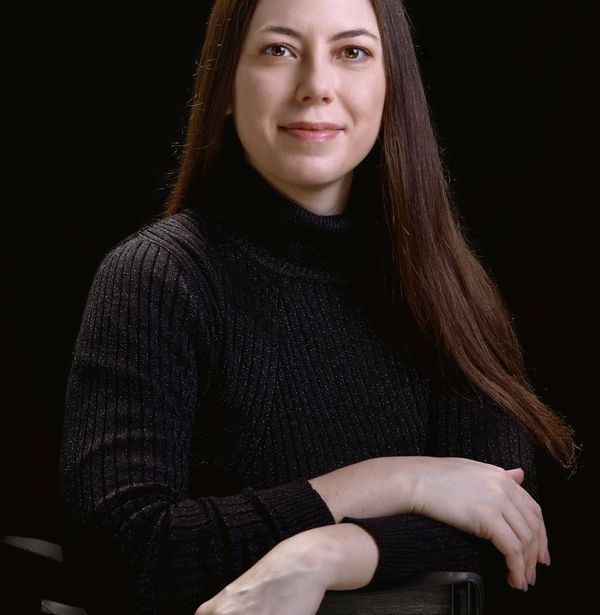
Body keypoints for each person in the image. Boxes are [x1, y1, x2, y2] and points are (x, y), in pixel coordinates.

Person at [58, 0, 578, 614]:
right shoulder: (158, 278)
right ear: (224, 86)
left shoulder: (447, 287)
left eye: (351, 52)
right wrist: (395, 481)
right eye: (279, 50)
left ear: (392, 90)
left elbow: (507, 532)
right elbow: (118, 551)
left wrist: (324, 553)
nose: (316, 87)